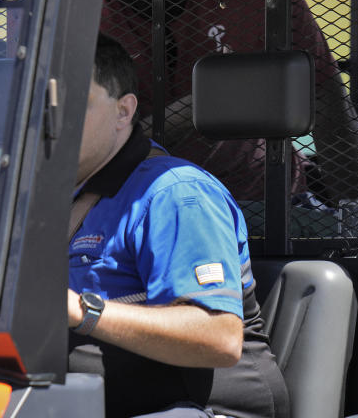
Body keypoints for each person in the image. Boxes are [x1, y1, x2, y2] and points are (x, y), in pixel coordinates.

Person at [67, 34, 289, 418]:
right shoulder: (42, 198)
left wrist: (80, 311)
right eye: (36, 105)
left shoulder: (174, 193)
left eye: (73, 105)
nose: (49, 122)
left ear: (123, 112)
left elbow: (218, 337)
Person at [104, 0, 358, 205]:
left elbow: (325, 96)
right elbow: (84, 145)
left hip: (262, 199)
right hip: (133, 201)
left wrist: (355, 215)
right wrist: (208, 103)